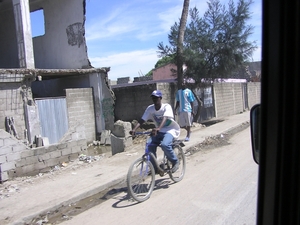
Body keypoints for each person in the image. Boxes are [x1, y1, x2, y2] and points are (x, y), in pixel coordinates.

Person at [130, 90, 180, 173]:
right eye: (153, 98)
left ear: (160, 98)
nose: (154, 99)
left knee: (164, 144)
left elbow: (165, 118)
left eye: (156, 98)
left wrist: (158, 128)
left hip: (170, 130)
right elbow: (142, 119)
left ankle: (175, 161)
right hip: (159, 131)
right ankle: (155, 168)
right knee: (149, 145)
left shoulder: (166, 107)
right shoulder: (150, 108)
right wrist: (134, 129)